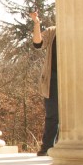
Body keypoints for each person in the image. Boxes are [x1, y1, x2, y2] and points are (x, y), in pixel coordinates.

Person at [31, 11, 58, 156]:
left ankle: (61, 145)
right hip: (53, 78)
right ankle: (47, 147)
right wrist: (36, 23)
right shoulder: (52, 31)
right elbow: (37, 43)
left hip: (74, 79)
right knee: (52, 114)